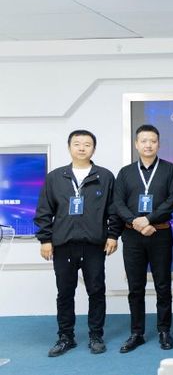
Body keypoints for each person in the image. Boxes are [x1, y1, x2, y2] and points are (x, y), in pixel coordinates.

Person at [34, 129, 120, 357]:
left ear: (94, 148)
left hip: (94, 245)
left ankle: (96, 336)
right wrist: (45, 239)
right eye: (77, 143)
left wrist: (113, 235)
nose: (82, 148)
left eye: (87, 144)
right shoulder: (55, 177)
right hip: (63, 245)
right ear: (69, 147)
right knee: (64, 292)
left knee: (96, 291)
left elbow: (114, 210)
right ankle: (66, 337)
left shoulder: (105, 176)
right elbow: (44, 210)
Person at [113, 124, 173, 353]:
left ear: (158, 144)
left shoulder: (170, 170)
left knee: (163, 284)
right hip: (132, 236)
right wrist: (136, 223)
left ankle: (164, 330)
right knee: (135, 286)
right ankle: (137, 333)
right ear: (136, 144)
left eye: (152, 141)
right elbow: (118, 203)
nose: (148, 145)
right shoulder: (125, 172)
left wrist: (149, 219)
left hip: (160, 233)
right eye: (144, 141)